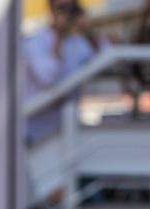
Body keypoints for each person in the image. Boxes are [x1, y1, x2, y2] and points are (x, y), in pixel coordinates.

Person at [24, 0, 105, 144]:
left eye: (72, 8)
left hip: (67, 131)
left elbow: (103, 58)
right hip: (37, 132)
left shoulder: (78, 42)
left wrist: (88, 31)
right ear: (51, 10)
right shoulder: (35, 42)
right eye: (62, 8)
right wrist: (59, 37)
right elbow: (47, 77)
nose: (68, 14)